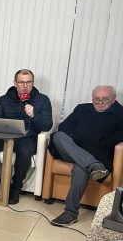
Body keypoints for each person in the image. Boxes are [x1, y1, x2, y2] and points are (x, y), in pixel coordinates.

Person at [48, 85, 123, 225]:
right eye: (96, 99)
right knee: (58, 136)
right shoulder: (82, 109)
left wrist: (91, 143)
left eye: (104, 99)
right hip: (74, 151)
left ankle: (70, 213)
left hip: (99, 154)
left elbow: (118, 138)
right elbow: (64, 127)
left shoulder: (120, 114)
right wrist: (80, 140)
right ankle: (94, 165)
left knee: (81, 167)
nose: (100, 102)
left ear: (113, 99)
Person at [0, 69, 52, 204]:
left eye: (29, 82)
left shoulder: (43, 100)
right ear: (15, 83)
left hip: (28, 137)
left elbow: (47, 125)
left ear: (33, 82)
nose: (25, 85)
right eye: (21, 82)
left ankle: (15, 188)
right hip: (5, 136)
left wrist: (34, 115)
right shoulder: (4, 99)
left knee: (24, 152)